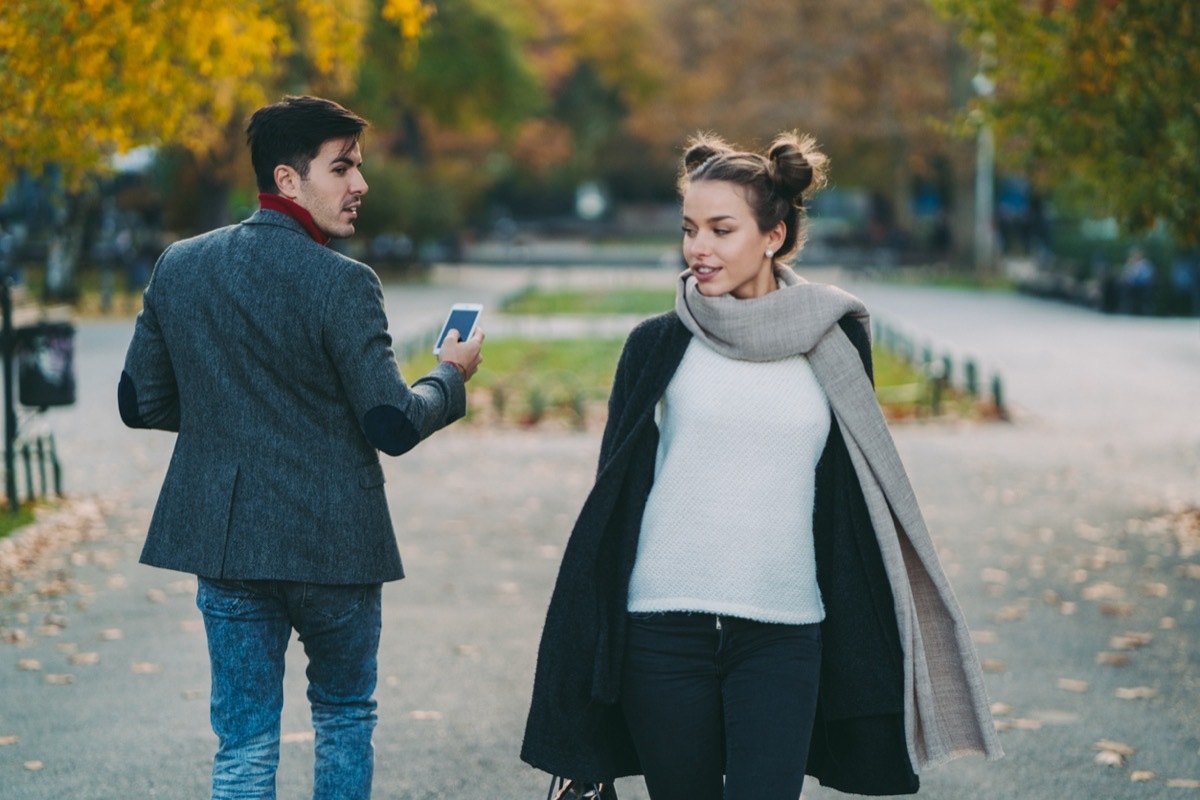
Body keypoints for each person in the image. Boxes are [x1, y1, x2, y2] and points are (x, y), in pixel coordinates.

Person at [521, 132, 1002, 799]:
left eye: (722, 229)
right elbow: (613, 505)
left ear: (773, 236)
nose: (699, 248)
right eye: (690, 229)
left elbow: (850, 502)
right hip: (663, 625)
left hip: (783, 632)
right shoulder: (658, 345)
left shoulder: (833, 342)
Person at [118, 95, 484, 800]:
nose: (361, 185)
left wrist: (233, 415)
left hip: (227, 543)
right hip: (335, 546)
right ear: (288, 180)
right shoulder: (345, 283)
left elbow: (142, 402)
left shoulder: (181, 264)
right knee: (344, 716)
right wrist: (450, 374)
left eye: (359, 167)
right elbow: (392, 424)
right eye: (343, 167)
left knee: (244, 743)